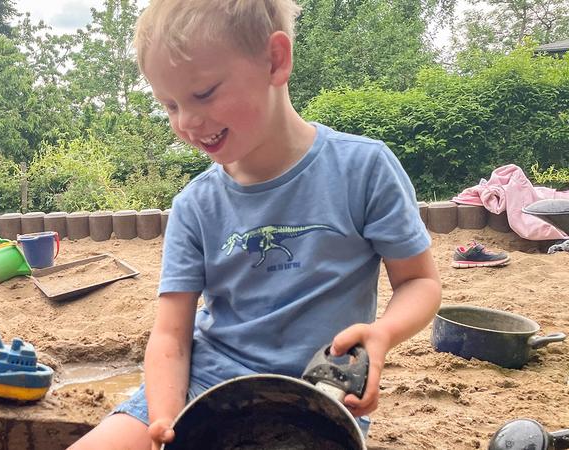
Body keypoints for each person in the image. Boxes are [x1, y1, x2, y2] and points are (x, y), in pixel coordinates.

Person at [69, 1, 443, 449]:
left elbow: (419, 281)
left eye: (204, 94)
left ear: (275, 60)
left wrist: (382, 334)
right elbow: (171, 335)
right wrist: (168, 420)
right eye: (169, 105)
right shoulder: (194, 205)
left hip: (318, 394)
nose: (187, 121)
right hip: (199, 385)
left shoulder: (364, 168)